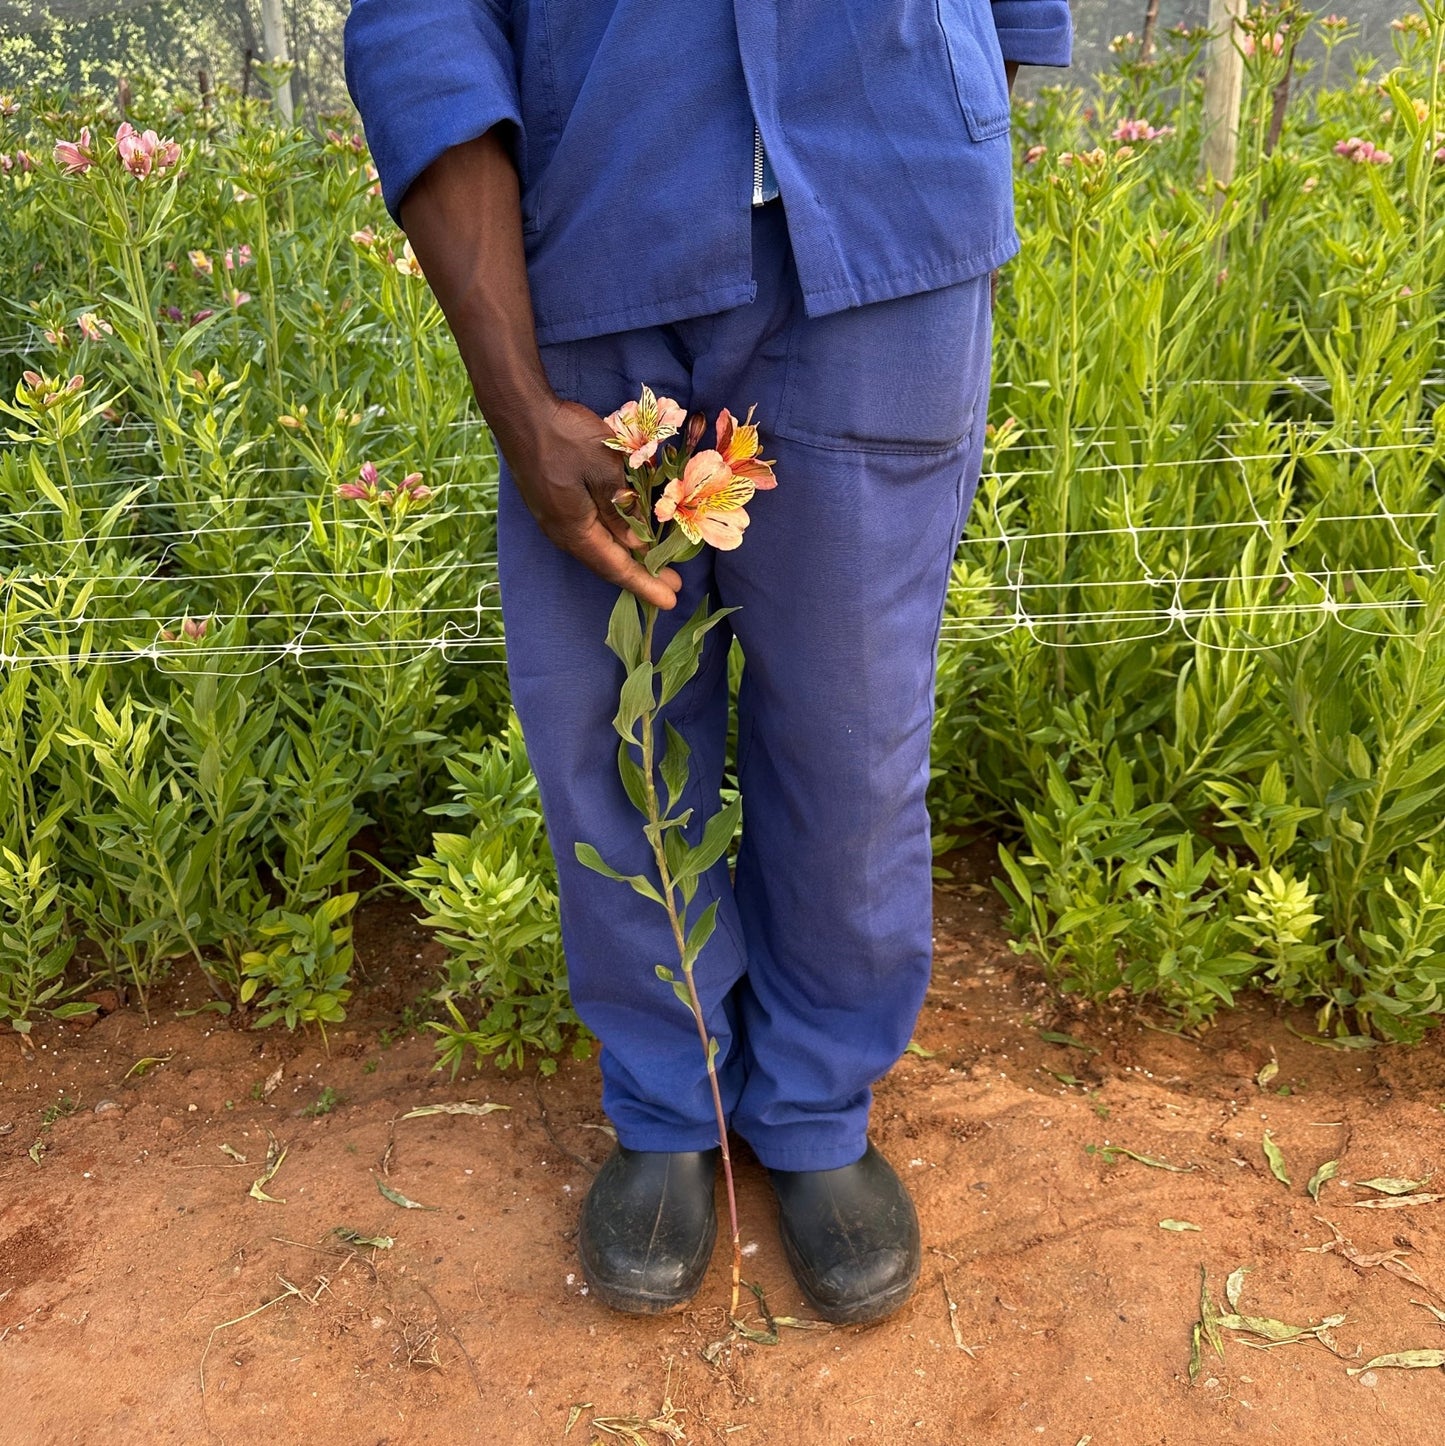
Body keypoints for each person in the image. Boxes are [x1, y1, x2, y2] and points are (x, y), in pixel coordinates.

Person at [344, 0, 1072, 1326]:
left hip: (885, 228)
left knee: (853, 727)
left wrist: (923, 129)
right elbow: (423, 23)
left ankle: (812, 1103)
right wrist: (514, 396)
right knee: (610, 718)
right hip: (592, 222)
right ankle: (667, 1098)